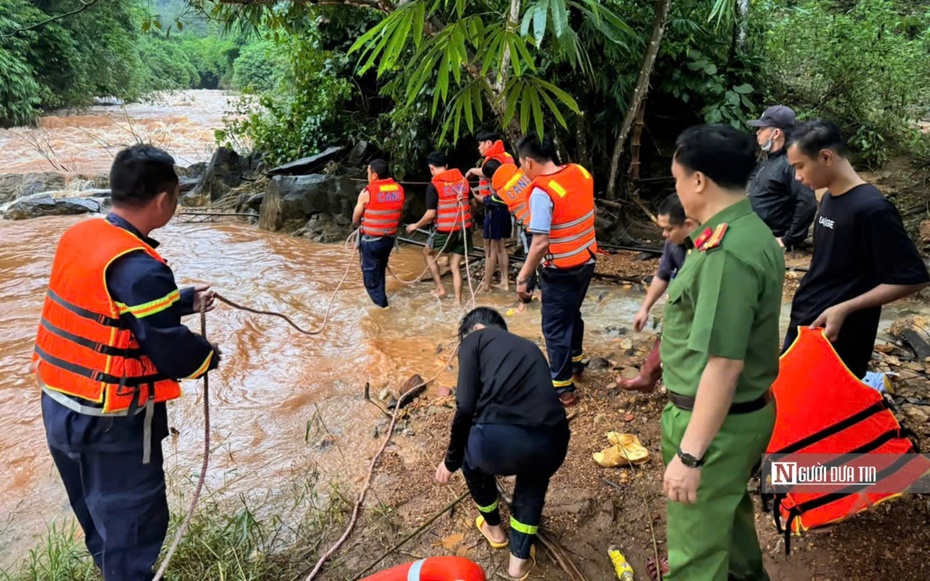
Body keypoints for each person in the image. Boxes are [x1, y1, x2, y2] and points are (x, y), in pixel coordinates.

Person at [33, 144, 221, 581]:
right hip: (112, 422)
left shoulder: (80, 237)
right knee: (133, 520)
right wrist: (209, 357)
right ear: (163, 200)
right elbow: (171, 352)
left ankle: (110, 570)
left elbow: (110, 310)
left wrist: (185, 301)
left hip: (60, 404)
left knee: (94, 512)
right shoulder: (142, 268)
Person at [657, 124, 784, 581]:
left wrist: (690, 456)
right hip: (736, 417)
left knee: (694, 552)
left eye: (676, 179)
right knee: (726, 518)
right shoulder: (748, 231)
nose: (677, 189)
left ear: (698, 181)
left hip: (713, 422)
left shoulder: (726, 252)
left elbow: (725, 365)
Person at [784, 120, 930, 379]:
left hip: (838, 335)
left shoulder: (872, 209)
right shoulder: (829, 197)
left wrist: (845, 308)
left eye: (800, 166)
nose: (798, 176)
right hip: (809, 321)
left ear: (826, 157)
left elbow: (913, 278)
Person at [435, 307, 569, 580]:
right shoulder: (528, 347)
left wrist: (451, 460)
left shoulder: (474, 340)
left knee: (471, 462)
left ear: (475, 330)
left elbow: (466, 406)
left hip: (497, 446)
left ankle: (495, 530)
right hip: (552, 441)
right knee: (533, 482)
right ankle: (518, 563)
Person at [515, 133, 597, 407]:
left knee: (554, 327)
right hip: (586, 259)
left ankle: (563, 390)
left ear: (528, 162)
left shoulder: (542, 191)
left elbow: (539, 243)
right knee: (572, 313)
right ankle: (576, 362)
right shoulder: (579, 173)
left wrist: (523, 276)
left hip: (561, 269)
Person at [616, 193, 698, 392]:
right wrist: (644, 308)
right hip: (680, 309)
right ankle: (649, 378)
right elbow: (662, 276)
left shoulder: (710, 250)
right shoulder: (673, 243)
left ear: (689, 225)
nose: (664, 235)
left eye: (668, 229)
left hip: (700, 312)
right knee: (666, 338)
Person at [746, 105, 818, 249]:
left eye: (762, 128)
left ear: (776, 133)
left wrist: (787, 239)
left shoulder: (790, 163)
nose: (757, 133)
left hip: (769, 241)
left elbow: (807, 203)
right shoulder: (770, 159)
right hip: (754, 235)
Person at [406, 152, 473, 303]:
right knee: (455, 266)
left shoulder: (434, 185)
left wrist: (415, 226)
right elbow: (473, 204)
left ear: (431, 168)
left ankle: (440, 288)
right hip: (464, 229)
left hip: (445, 230)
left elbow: (430, 214)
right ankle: (457, 301)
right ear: (447, 166)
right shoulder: (463, 181)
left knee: (427, 252)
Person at [352, 159, 405, 308]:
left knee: (370, 278)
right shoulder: (398, 189)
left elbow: (356, 217)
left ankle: (383, 308)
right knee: (379, 270)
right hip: (388, 240)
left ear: (374, 175)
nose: (367, 175)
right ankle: (382, 298)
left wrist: (358, 225)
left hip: (372, 242)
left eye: (368, 172)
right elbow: (400, 213)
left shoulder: (367, 192)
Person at [465, 131, 513, 292]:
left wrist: (472, 173)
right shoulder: (506, 157)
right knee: (500, 247)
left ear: (489, 144)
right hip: (505, 207)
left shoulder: (495, 161)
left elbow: (488, 172)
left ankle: (486, 285)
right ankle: (504, 282)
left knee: (491, 249)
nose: (479, 147)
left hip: (495, 208)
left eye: (481, 143)